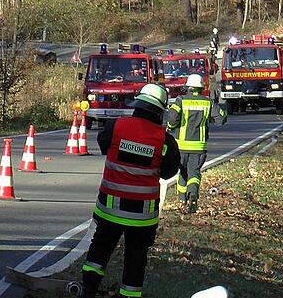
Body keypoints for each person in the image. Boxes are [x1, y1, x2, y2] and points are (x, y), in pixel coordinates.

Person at [81, 83, 180, 298]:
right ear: (159, 110)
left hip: (110, 209)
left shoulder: (116, 126)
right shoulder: (165, 140)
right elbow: (169, 172)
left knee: (99, 249)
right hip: (142, 217)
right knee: (136, 258)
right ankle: (129, 295)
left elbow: (103, 144)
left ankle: (88, 290)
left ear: (138, 104)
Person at [166, 74, 227, 214]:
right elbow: (221, 118)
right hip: (199, 147)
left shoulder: (181, 100)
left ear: (188, 87)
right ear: (201, 88)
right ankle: (193, 194)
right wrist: (208, 120)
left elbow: (172, 118)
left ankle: (182, 200)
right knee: (194, 173)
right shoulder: (207, 102)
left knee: (182, 172)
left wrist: (170, 126)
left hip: (181, 146)